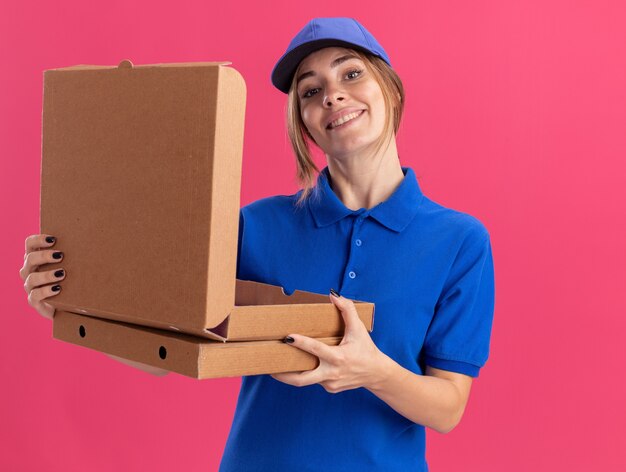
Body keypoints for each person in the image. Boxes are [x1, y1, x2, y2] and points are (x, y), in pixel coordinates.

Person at [21, 17, 495, 472]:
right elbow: (167, 354)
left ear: (390, 88)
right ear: (304, 121)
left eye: (351, 73)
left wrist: (372, 370)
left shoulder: (458, 242)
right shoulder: (255, 226)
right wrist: (71, 308)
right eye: (311, 91)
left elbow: (447, 408)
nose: (332, 96)